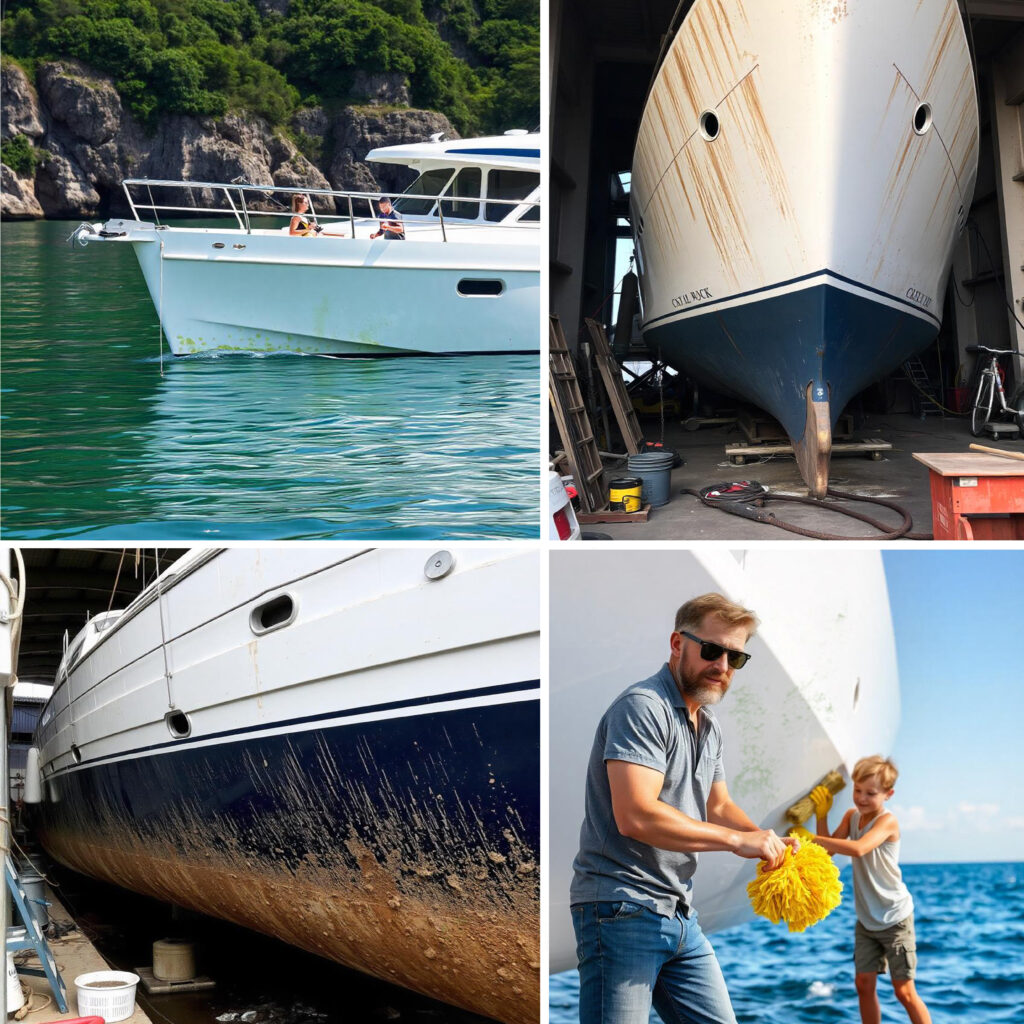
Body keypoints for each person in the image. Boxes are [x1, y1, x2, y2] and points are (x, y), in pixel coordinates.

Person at [570, 592, 799, 1024]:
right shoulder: (642, 707)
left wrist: (767, 841)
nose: (723, 667)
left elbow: (719, 803)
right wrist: (736, 841)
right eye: (712, 651)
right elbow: (635, 814)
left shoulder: (706, 725)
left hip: (678, 913)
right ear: (678, 644)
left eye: (736, 658)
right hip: (621, 908)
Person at [812, 757, 932, 1024]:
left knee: (904, 992)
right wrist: (820, 815)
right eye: (857, 790)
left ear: (888, 794)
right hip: (867, 920)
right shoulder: (851, 816)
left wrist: (812, 838)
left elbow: (859, 848)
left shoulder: (887, 822)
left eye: (870, 793)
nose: (861, 798)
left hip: (895, 918)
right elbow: (828, 851)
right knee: (864, 985)